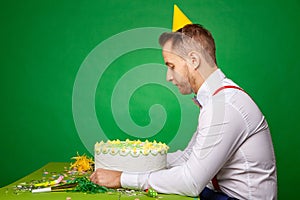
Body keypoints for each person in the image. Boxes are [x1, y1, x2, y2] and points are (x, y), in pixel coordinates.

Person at [90, 24, 277, 199]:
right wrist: (123, 164)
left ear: (194, 60)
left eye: (171, 66)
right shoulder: (216, 100)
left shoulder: (225, 106)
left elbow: (191, 181)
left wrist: (121, 178)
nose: (168, 77)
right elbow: (187, 157)